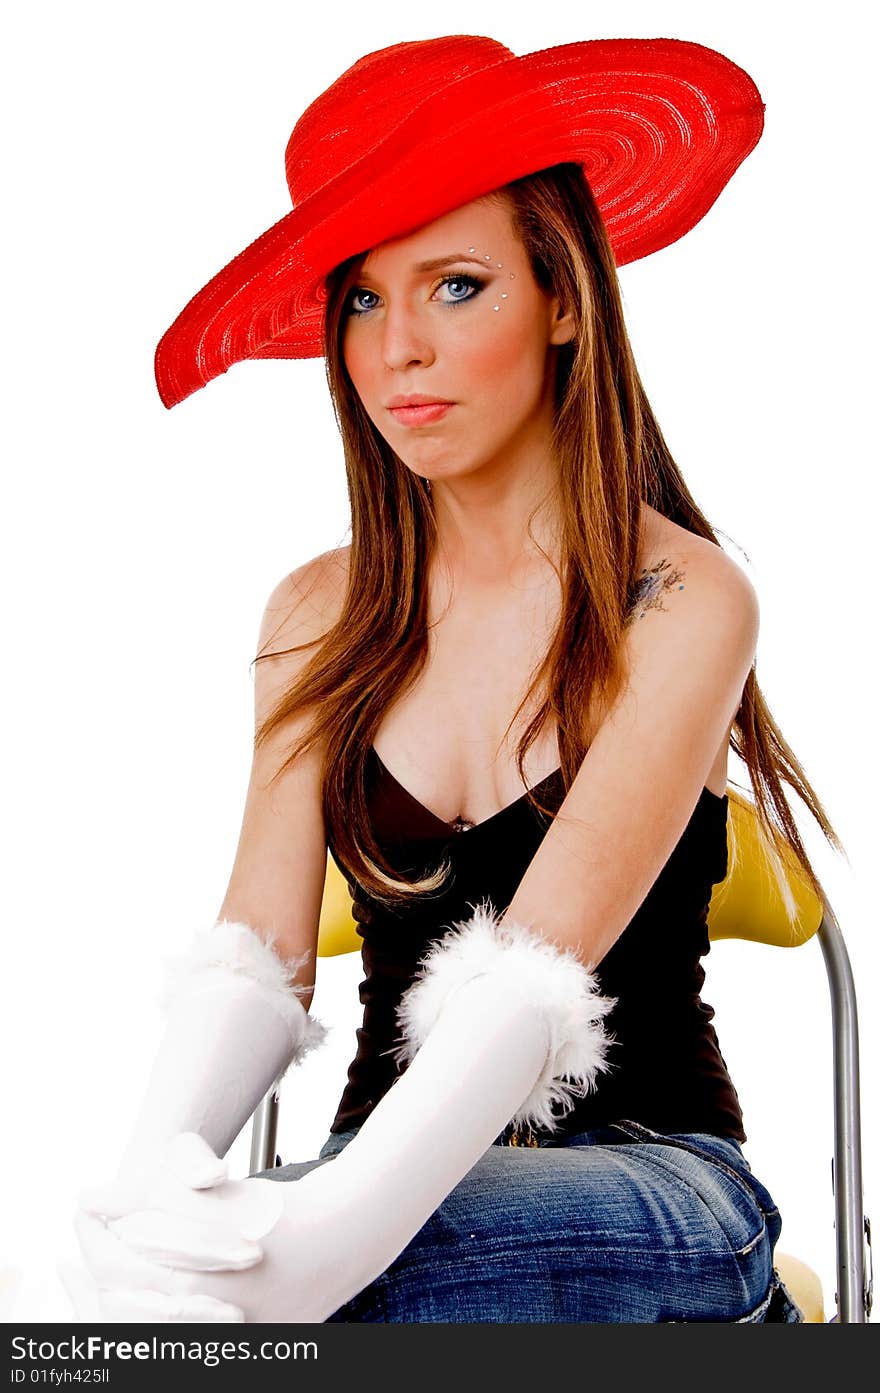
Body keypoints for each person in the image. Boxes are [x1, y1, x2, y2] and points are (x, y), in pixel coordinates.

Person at [65, 34, 845, 1324]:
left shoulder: (685, 599)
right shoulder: (316, 613)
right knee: (142, 1269)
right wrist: (158, 1177)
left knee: (240, 1287)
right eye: (363, 298)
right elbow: (260, 952)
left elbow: (534, 972)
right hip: (366, 1174)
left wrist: (309, 1247)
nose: (397, 348)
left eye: (457, 285)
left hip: (656, 1182)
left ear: (567, 300)